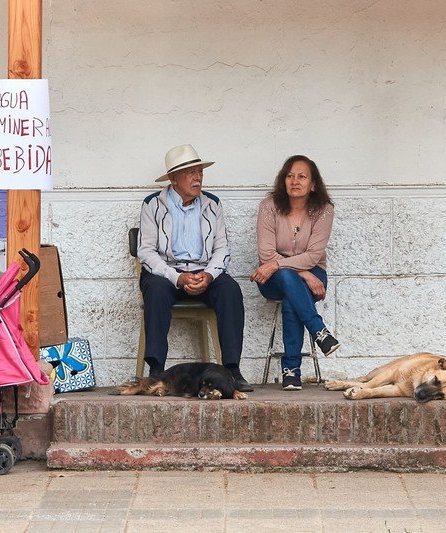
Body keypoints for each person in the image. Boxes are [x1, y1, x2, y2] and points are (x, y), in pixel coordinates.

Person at [137, 144, 252, 392]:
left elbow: (222, 248)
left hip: (203, 272)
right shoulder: (152, 205)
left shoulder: (212, 204)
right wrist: (176, 278)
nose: (198, 177)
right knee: (155, 290)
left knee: (230, 290)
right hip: (167, 274)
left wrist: (209, 274)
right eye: (191, 173)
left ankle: (232, 370)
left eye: (200, 172)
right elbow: (145, 252)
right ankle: (156, 371)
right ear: (173, 178)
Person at [251, 154, 340, 391]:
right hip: (271, 278)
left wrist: (279, 265)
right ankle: (318, 331)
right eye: (290, 176)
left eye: (302, 177)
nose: (295, 181)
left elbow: (313, 256)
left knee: (291, 294)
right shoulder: (269, 206)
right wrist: (305, 275)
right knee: (288, 278)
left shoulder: (324, 210)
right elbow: (266, 254)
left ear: (313, 185)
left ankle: (291, 372)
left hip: (311, 271)